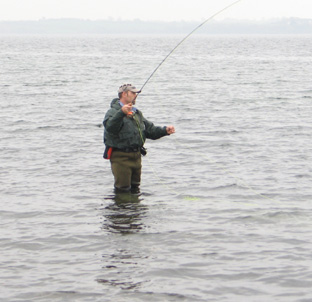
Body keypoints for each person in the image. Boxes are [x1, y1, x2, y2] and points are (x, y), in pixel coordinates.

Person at [103, 83, 175, 193]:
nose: (135, 95)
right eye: (133, 93)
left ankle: (135, 210)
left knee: (135, 189)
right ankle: (121, 209)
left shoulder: (137, 113)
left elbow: (150, 131)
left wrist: (165, 131)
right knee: (123, 190)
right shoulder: (112, 112)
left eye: (136, 93)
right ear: (124, 94)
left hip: (136, 157)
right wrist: (121, 113)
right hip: (121, 158)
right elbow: (110, 128)